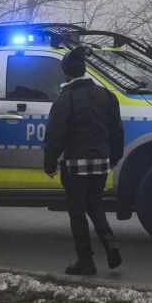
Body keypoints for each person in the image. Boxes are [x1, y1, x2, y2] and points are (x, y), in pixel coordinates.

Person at [43, 46, 125, 275]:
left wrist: (49, 164)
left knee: (77, 211)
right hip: (101, 162)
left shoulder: (65, 99)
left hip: (75, 166)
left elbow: (55, 136)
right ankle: (110, 244)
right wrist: (114, 157)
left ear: (66, 74)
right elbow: (117, 130)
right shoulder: (107, 95)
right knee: (95, 204)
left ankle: (85, 260)